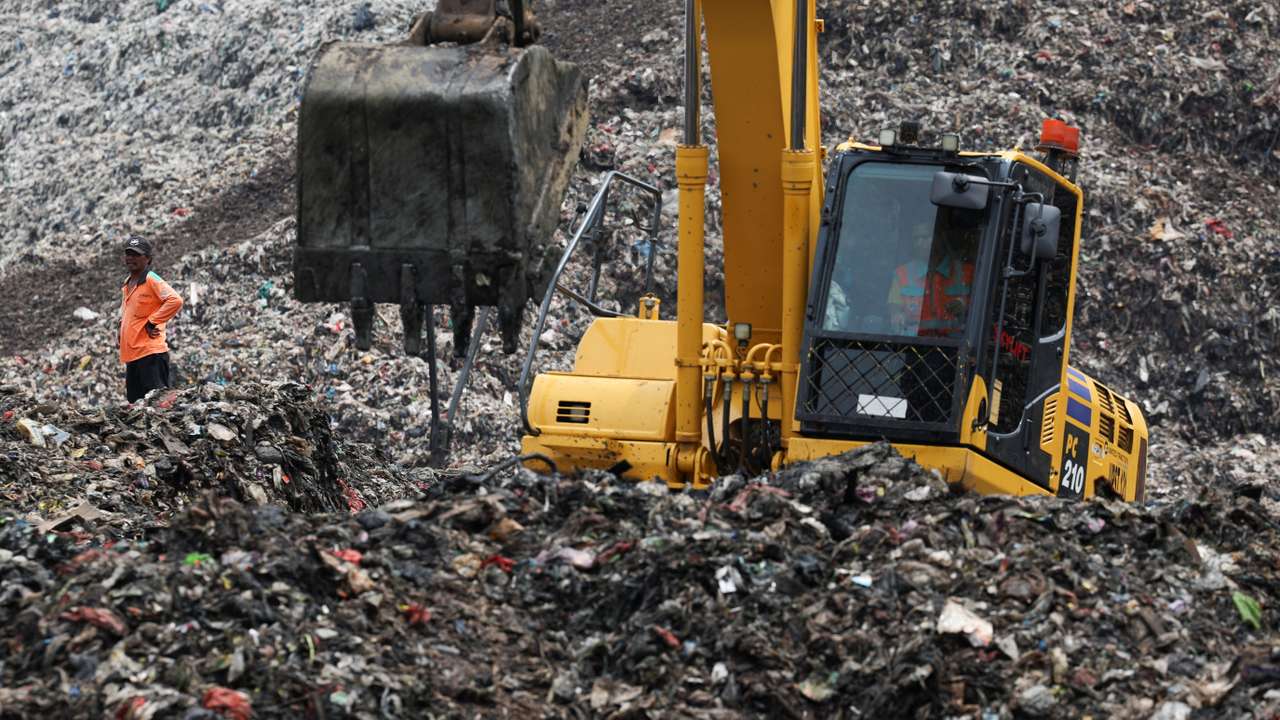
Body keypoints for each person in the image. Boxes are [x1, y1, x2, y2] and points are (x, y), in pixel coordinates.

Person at [120, 235, 184, 402]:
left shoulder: (151, 279)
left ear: (147, 259)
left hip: (151, 354)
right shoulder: (128, 283)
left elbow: (175, 300)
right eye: (128, 254)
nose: (130, 258)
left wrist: (153, 321)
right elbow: (131, 313)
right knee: (136, 405)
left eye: (135, 254)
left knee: (157, 403)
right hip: (133, 355)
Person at [887, 222, 975, 338]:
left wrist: (963, 304)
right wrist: (898, 317)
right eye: (916, 238)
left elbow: (978, 309)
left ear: (940, 238)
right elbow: (895, 312)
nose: (919, 243)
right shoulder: (901, 273)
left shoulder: (967, 272)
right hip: (912, 345)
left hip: (955, 347)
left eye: (925, 237)